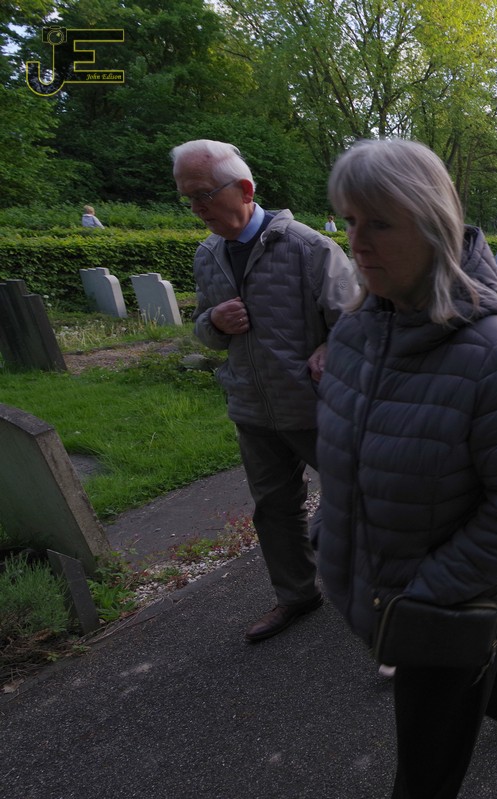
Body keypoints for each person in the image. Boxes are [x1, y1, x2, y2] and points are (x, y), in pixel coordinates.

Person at [316, 138, 497, 799]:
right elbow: (351, 449)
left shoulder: (493, 354)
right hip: (387, 582)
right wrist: (333, 527)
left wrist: (429, 594)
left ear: (432, 227)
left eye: (378, 223)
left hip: (439, 598)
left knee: (425, 770)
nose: (356, 242)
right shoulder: (358, 328)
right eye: (349, 221)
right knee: (467, 675)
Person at [172, 139, 356, 643]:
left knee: (360, 502)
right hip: (252, 407)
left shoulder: (308, 247)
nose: (197, 208)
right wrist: (214, 321)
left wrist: (330, 347)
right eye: (188, 199)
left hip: (315, 408)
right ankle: (297, 595)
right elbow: (205, 332)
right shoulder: (208, 255)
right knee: (274, 509)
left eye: (204, 194)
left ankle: (385, 598)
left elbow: (357, 322)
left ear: (245, 189)